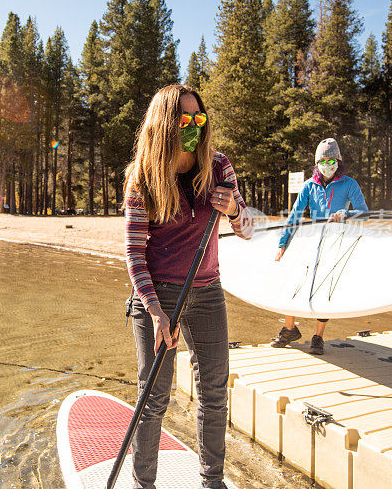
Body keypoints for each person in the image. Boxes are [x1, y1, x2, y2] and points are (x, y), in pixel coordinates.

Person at [124, 84, 253, 489]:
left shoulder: (218, 166)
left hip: (208, 292)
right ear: (164, 125)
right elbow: (134, 255)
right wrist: (155, 310)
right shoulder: (143, 178)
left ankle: (211, 482)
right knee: (154, 398)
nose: (194, 127)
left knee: (214, 395)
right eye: (185, 120)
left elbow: (248, 229)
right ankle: (144, 483)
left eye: (200, 119)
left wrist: (234, 209)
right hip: (158, 296)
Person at [271, 138, 368, 355]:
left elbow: (364, 212)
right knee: (292, 280)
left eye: (331, 159)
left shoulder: (350, 184)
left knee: (324, 288)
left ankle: (318, 336)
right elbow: (295, 215)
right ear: (317, 163)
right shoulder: (308, 185)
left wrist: (345, 214)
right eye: (323, 160)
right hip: (311, 238)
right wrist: (282, 244)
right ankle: (289, 329)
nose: (328, 164)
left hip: (335, 240)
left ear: (338, 160)